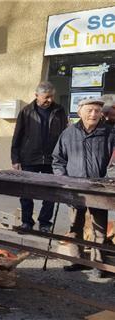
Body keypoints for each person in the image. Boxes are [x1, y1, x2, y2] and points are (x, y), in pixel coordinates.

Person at [52, 98, 115, 278]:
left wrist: (108, 181)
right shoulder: (68, 133)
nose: (93, 114)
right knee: (75, 226)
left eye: (97, 110)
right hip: (75, 188)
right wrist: (63, 180)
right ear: (80, 112)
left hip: (99, 189)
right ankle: (77, 260)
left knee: (99, 229)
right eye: (90, 110)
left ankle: (98, 263)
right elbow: (58, 160)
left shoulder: (109, 133)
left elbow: (114, 162)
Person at [11, 81, 68, 233]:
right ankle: (27, 222)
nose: (49, 100)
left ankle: (44, 223)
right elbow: (18, 136)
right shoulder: (26, 111)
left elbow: (64, 135)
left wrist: (65, 157)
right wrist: (15, 159)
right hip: (29, 157)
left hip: (52, 159)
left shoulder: (59, 110)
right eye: (46, 97)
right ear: (37, 96)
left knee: (50, 193)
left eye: (51, 97)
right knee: (26, 192)